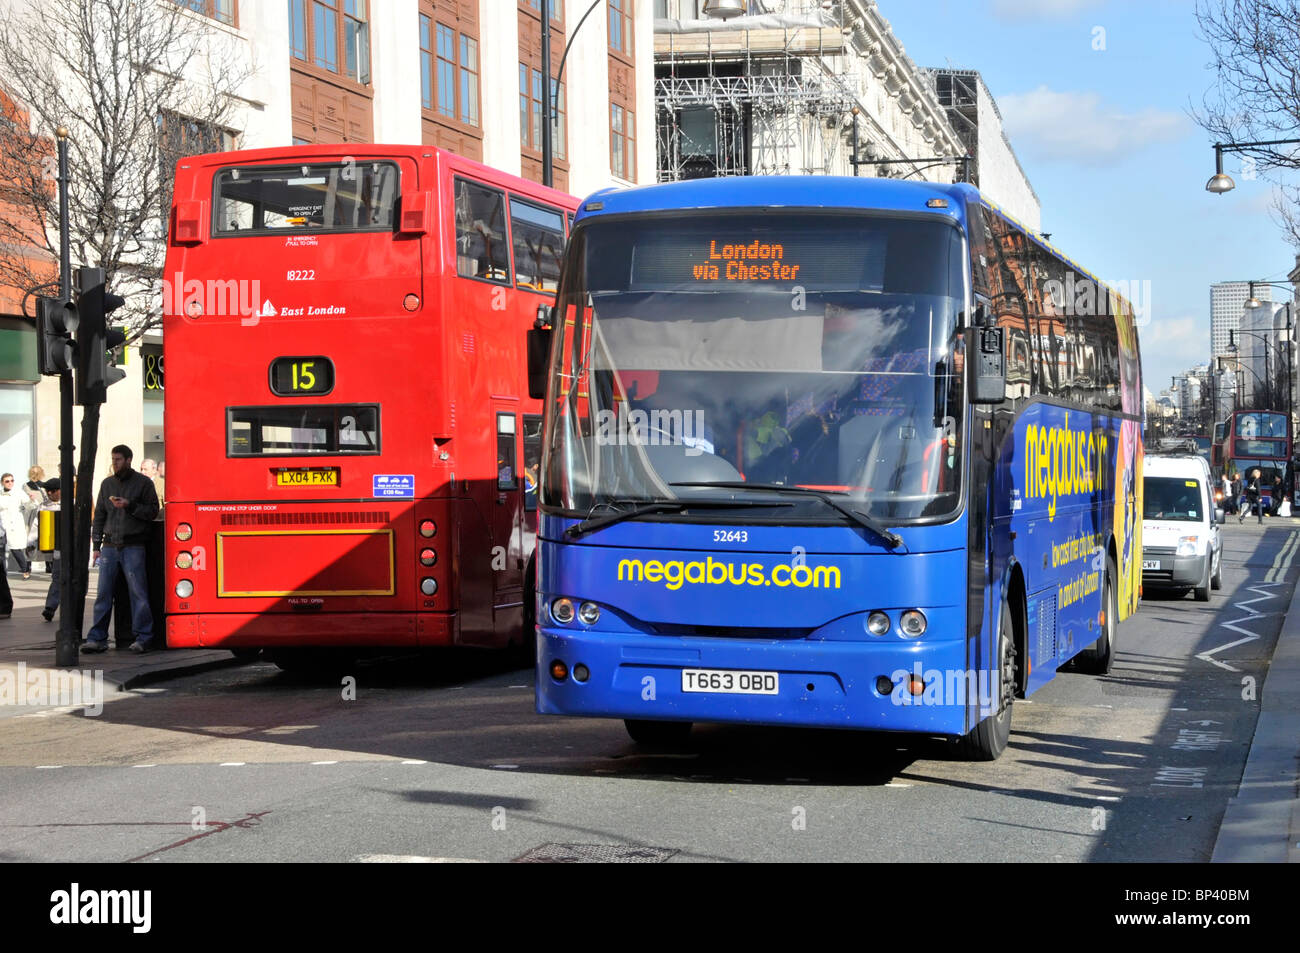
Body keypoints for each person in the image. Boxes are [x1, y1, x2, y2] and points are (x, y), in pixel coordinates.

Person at [81, 445, 160, 654]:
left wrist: (129, 505)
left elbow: (153, 511)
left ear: (128, 460)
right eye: (113, 459)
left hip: (133, 544)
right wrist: (96, 546)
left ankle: (143, 637)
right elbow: (99, 516)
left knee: (138, 593)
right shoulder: (107, 484)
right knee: (103, 593)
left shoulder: (143, 483)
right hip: (110, 546)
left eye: (118, 459)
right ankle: (97, 638)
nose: (114, 463)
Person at [33, 479, 61, 621]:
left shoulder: (71, 504)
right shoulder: (43, 507)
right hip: (56, 549)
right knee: (57, 577)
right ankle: (50, 607)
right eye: (48, 491)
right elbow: (36, 527)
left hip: (72, 548)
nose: (49, 494)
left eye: (52, 491)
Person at [0, 473, 30, 579]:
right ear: (2, 483)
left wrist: (31, 500)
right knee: (1, 550)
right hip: (2, 525)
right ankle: (3, 573)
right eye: (7, 481)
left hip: (15, 524)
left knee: (15, 548)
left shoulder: (18, 493)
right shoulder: (1, 494)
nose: (10, 483)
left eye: (12, 480)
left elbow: (29, 504)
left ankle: (25, 569)